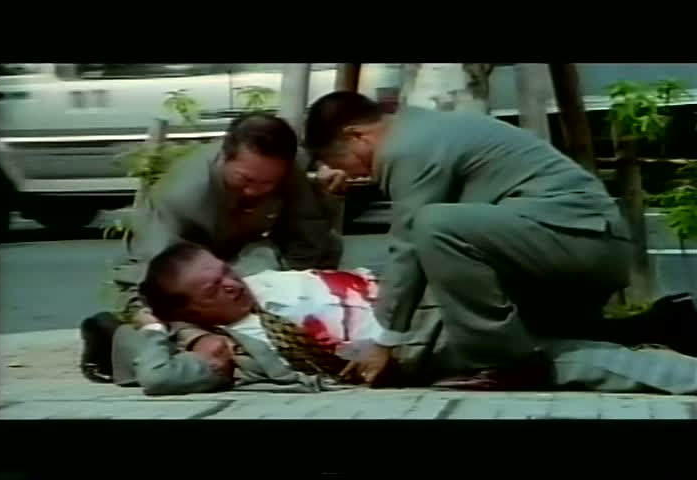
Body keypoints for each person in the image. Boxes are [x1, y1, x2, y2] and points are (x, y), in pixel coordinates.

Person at [302, 91, 637, 387]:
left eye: (340, 161)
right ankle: (637, 330)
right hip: (580, 238)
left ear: (357, 136)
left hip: (582, 240)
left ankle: (506, 363)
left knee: (433, 225)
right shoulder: (418, 129)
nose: (353, 175)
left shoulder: (406, 149)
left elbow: (407, 248)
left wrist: (384, 342)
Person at [95, 242, 697, 396]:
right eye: (214, 287)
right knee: (576, 359)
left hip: (428, 295)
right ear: (190, 310)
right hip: (423, 342)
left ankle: (650, 323)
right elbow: (160, 377)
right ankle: (662, 349)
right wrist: (157, 327)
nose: (231, 282)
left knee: (558, 289)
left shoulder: (263, 278)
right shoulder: (234, 348)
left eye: (224, 269)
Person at [110, 112, 344, 325]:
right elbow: (159, 272)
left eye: (268, 183)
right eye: (246, 179)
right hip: (189, 269)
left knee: (327, 247)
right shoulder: (181, 195)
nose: (255, 191)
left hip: (247, 258)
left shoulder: (289, 168)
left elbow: (307, 232)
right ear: (225, 157)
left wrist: (298, 292)